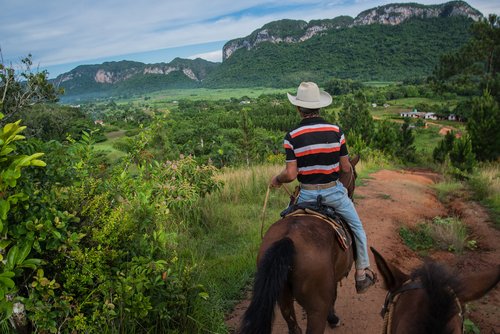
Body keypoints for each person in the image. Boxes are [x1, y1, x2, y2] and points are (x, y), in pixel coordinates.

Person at [270, 81, 376, 294]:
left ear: (299, 108)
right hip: (334, 193)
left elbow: (291, 174)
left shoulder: (292, 136)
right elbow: (346, 167)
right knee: (358, 229)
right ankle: (361, 274)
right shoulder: (336, 131)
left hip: (306, 196)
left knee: (286, 223)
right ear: (319, 106)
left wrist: (278, 179)